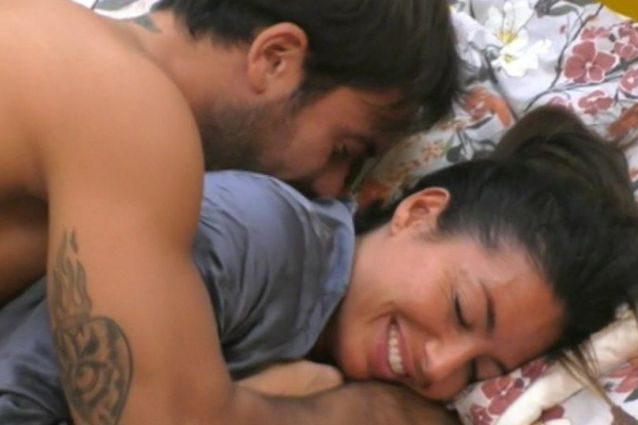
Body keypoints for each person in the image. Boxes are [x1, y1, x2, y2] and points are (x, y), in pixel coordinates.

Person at [1, 106, 637, 424]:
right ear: (419, 213)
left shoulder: (341, 367)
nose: (439, 366)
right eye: (461, 310)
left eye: (478, 370)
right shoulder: (255, 236)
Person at [0, 0, 461, 424]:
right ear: (275, 58)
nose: (330, 188)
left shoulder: (54, 39)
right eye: (344, 149)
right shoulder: (127, 109)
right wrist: (368, 410)